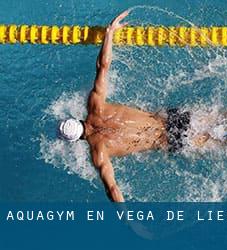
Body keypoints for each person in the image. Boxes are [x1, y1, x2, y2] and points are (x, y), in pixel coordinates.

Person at [58, 11, 210, 202]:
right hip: (172, 118)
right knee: (226, 118)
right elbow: (103, 66)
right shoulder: (95, 105)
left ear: (76, 140)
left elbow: (112, 189)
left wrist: (129, 222)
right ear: (76, 119)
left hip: (171, 140)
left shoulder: (99, 152)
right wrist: (109, 33)